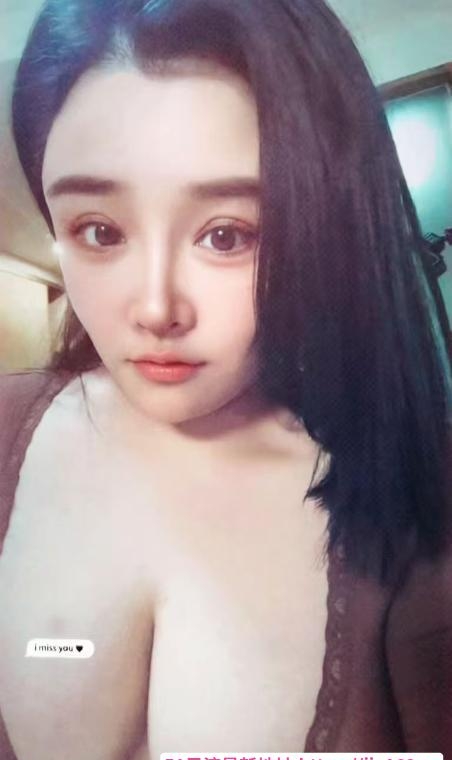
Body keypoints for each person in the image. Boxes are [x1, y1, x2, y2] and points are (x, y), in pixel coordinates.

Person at [1, 0, 451, 757]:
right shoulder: (8, 427)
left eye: (227, 235)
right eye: (99, 230)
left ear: (322, 227)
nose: (155, 308)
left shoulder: (420, 511)